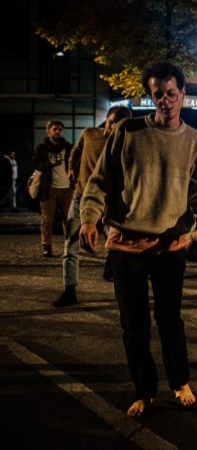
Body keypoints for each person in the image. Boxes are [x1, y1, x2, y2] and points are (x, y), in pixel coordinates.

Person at [79, 61, 197, 417]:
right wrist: (89, 218)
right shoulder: (127, 131)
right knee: (133, 323)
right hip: (126, 245)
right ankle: (144, 390)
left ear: (183, 94)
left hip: (170, 246)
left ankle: (179, 381)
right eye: (158, 95)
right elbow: (99, 181)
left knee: (171, 320)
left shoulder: (196, 141)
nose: (165, 101)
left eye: (171, 94)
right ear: (150, 97)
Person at [53, 105, 132, 308]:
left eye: (119, 125)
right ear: (107, 119)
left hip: (108, 200)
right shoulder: (89, 134)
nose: (112, 128)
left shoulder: (124, 143)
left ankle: (113, 273)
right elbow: (75, 151)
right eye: (111, 122)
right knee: (71, 243)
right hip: (81, 196)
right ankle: (70, 289)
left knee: (117, 242)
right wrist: (71, 169)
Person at [33, 120, 73, 257]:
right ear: (48, 130)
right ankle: (47, 246)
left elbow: (76, 164)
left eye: (60, 129)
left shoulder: (68, 147)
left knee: (68, 220)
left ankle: (69, 246)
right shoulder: (42, 148)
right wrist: (49, 164)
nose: (58, 132)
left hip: (67, 188)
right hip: (48, 188)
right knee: (46, 219)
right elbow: (37, 165)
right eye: (55, 129)